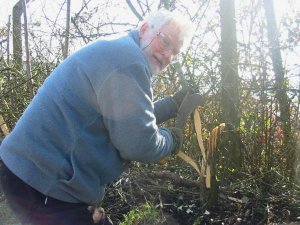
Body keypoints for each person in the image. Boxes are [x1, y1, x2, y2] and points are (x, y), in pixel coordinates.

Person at [0, 9, 194, 225]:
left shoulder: (120, 50)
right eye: (165, 41)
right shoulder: (129, 61)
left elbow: (128, 121)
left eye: (174, 51)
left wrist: (172, 105)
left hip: (29, 172)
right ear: (145, 28)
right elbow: (139, 144)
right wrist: (171, 140)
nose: (168, 55)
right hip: (44, 184)